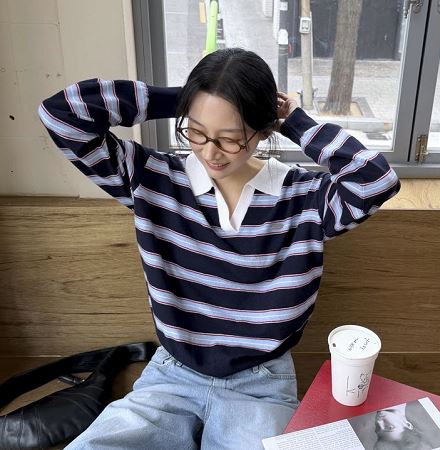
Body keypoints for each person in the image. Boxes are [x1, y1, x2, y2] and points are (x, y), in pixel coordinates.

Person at [38, 47, 401, 450]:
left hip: (261, 385)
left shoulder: (306, 198)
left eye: (230, 139)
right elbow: (61, 115)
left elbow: (375, 181)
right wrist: (187, 98)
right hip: (170, 377)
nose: (209, 152)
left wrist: (295, 121)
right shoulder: (149, 178)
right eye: (195, 131)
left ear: (263, 131)